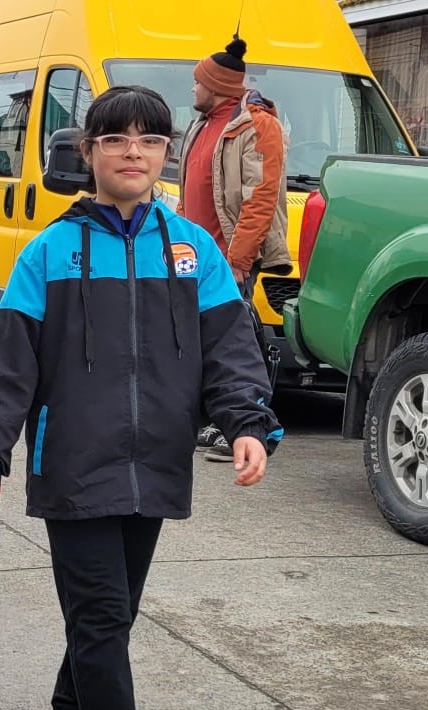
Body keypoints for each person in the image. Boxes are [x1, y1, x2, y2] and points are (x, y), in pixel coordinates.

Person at [0, 86, 282, 710]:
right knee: (101, 617)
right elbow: (8, 369)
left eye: (148, 138)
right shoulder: (47, 253)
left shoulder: (191, 250)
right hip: (73, 464)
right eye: (115, 139)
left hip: (155, 462)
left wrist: (246, 423)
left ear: (165, 153)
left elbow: (230, 349)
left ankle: (72, 705)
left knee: (115, 612)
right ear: (89, 153)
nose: (132, 151)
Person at [177, 37, 290, 463]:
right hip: (195, 255)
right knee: (195, 340)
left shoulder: (257, 125)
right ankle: (215, 419)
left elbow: (260, 197)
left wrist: (238, 260)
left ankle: (259, 425)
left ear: (218, 86)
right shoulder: (203, 125)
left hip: (229, 258)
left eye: (197, 82)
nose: (192, 90)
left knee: (236, 341)